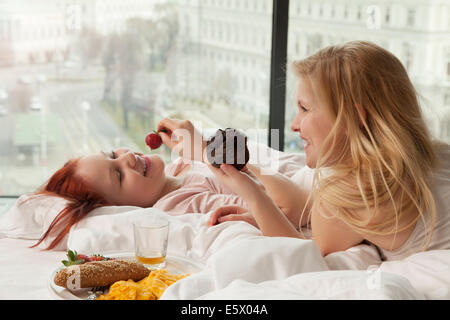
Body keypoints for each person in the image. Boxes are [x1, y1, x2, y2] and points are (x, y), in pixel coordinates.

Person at [188, 40, 449, 261]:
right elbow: (301, 202)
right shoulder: (434, 153)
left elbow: (302, 256)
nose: (293, 124)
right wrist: (256, 206)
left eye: (304, 109)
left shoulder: (353, 193)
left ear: (351, 118)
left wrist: (254, 196)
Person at [31, 138, 248, 250]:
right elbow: (268, 204)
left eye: (112, 154)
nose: (127, 158)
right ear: (121, 208)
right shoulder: (179, 203)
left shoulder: (176, 168)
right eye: (118, 175)